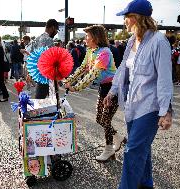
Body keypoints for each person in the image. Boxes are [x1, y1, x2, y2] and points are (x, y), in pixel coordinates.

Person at [103, 1, 173, 188]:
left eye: (126, 17)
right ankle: (145, 183)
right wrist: (113, 91)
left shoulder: (159, 41)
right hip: (132, 105)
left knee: (132, 150)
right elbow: (122, 71)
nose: (124, 22)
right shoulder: (132, 41)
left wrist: (166, 111)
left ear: (136, 18)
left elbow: (165, 78)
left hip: (150, 106)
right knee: (142, 149)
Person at [64, 25, 126, 162]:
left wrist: (75, 87)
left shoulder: (104, 53)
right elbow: (82, 68)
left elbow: (93, 74)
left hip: (113, 89)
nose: (85, 38)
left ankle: (109, 150)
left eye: (87, 36)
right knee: (99, 119)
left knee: (105, 120)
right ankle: (119, 138)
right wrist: (68, 80)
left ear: (95, 38)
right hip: (103, 88)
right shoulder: (90, 51)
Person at [30, 19, 59, 99]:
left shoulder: (36, 39)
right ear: (53, 28)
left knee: (41, 97)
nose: (56, 32)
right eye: (56, 30)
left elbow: (31, 56)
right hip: (47, 74)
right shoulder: (49, 40)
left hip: (38, 72)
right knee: (47, 99)